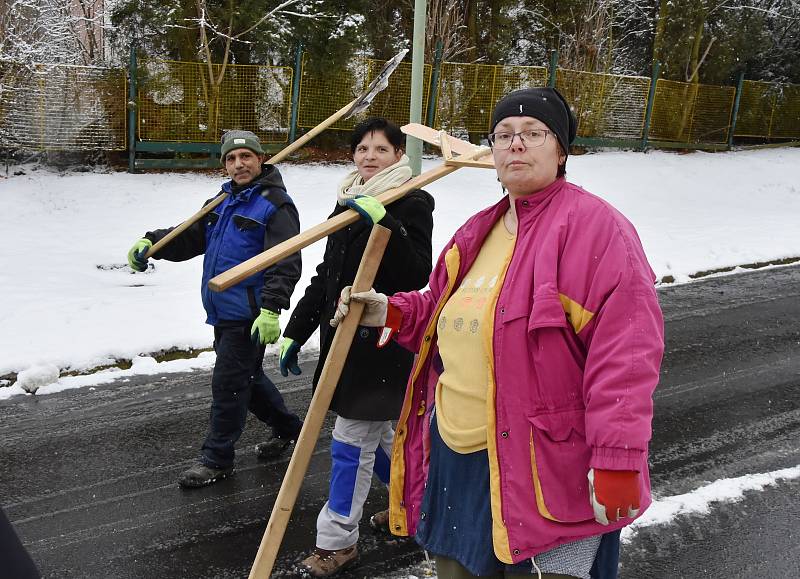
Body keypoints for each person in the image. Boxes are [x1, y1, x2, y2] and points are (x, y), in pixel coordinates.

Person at [331, 88, 665, 578]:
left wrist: (618, 458)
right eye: (504, 135)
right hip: (456, 453)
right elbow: (444, 312)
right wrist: (392, 311)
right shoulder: (478, 231)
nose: (516, 145)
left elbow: (627, 355)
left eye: (533, 134)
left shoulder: (597, 229)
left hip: (545, 466)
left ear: (562, 150)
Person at [278, 117, 435, 577]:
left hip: (383, 345)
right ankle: (414, 506)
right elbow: (328, 278)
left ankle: (337, 540)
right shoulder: (346, 203)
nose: (369, 156)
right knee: (382, 434)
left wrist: (386, 224)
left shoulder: (413, 200)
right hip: (343, 342)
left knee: (351, 441)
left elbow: (416, 274)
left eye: (381, 149)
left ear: (398, 156)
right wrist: (296, 331)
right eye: (362, 148)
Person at [126, 130, 303, 489]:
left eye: (246, 157)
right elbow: (191, 236)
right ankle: (290, 429)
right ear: (225, 164)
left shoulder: (275, 204)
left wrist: (271, 308)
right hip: (222, 310)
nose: (239, 164)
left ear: (260, 158)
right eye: (231, 159)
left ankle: (217, 458)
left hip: (250, 315)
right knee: (246, 381)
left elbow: (285, 260)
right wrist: (153, 241)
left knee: (228, 386)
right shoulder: (221, 201)